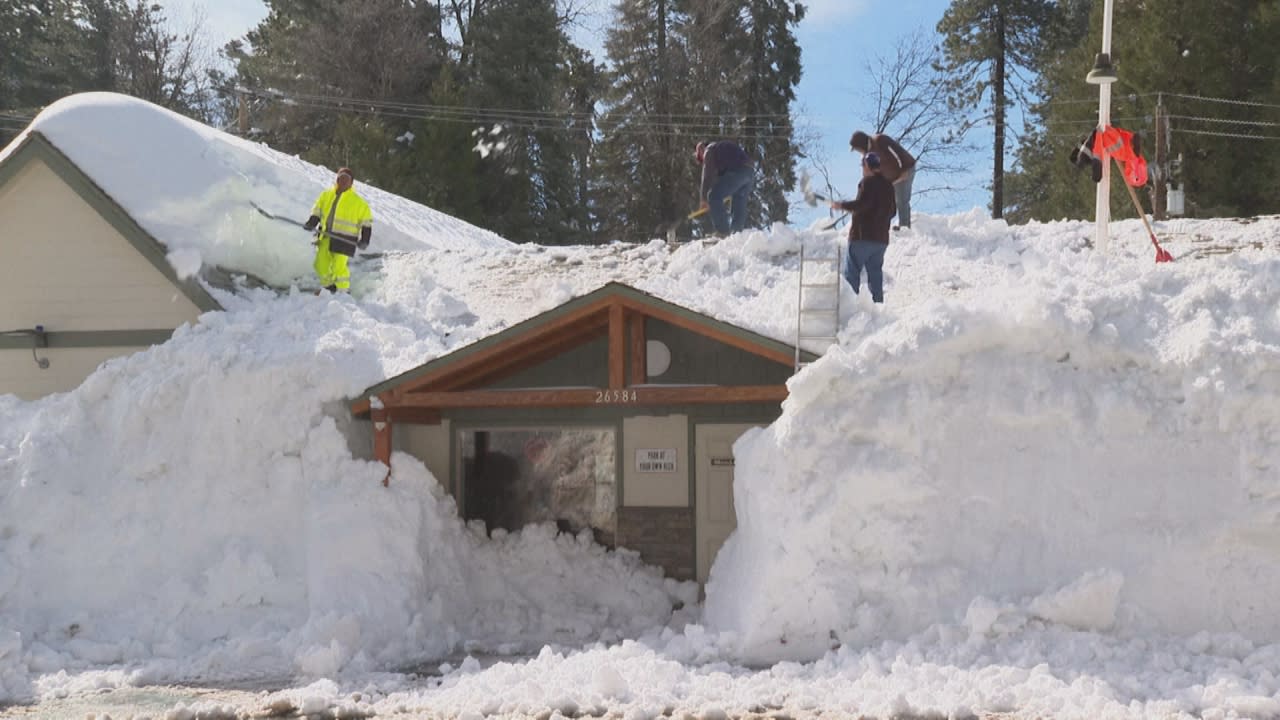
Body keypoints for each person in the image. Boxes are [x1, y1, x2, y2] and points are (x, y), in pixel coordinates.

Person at [830, 151, 895, 303]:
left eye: (863, 165)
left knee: (852, 273)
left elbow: (861, 205)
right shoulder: (888, 186)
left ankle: (850, 308)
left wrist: (842, 205)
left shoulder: (867, 182)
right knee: (875, 275)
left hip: (862, 236)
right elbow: (893, 211)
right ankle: (878, 308)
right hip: (881, 240)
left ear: (867, 166)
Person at [302, 167, 373, 293]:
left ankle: (342, 291)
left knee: (338, 267)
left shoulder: (359, 203)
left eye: (347, 179)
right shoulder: (326, 195)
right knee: (320, 264)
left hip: (345, 240)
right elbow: (317, 210)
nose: (343, 181)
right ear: (337, 180)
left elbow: (366, 223)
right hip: (325, 236)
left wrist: (365, 240)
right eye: (341, 178)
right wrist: (312, 222)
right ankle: (329, 287)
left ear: (351, 183)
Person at [849, 130, 916, 230]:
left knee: (901, 200)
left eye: (858, 149)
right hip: (891, 179)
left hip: (905, 170)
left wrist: (904, 169)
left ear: (862, 144)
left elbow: (897, 152)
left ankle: (904, 227)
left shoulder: (880, 140)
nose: (859, 152)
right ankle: (882, 227)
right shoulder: (866, 158)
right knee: (886, 202)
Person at [696, 140, 754, 237]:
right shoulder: (721, 150)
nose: (703, 161)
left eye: (701, 158)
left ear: (701, 149)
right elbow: (720, 179)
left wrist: (704, 199)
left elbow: (707, 175)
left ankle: (723, 232)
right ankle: (736, 234)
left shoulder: (709, 150)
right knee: (738, 203)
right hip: (749, 172)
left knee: (713, 196)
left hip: (737, 171)